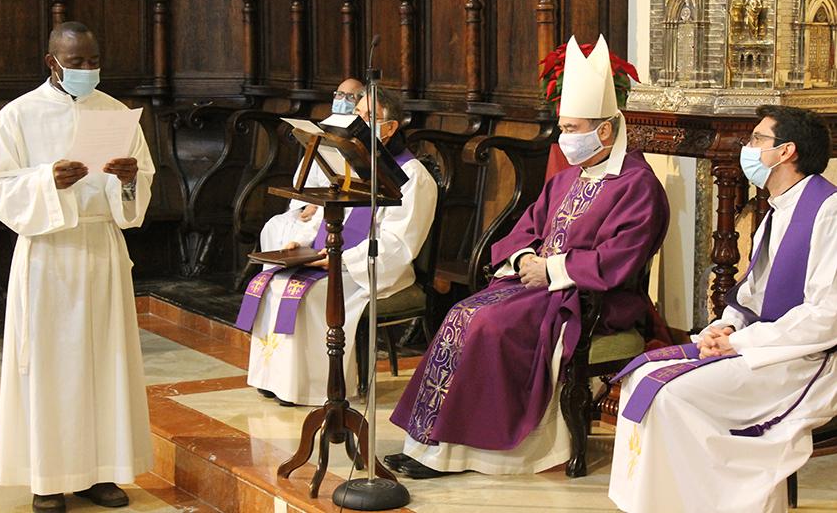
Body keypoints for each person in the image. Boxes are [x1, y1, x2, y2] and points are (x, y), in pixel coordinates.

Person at [387, 35, 670, 478]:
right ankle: (430, 443)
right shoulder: (568, 179)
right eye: (564, 128)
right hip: (538, 286)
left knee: (489, 324)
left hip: (590, 299)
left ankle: (471, 451)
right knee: (462, 312)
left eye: (573, 129)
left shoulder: (638, 185)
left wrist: (552, 270)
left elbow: (620, 259)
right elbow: (528, 227)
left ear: (606, 130)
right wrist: (522, 261)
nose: (564, 139)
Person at [609, 106, 837, 513]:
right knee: (641, 376)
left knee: (671, 397)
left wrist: (744, 342)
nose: (747, 148)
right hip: (763, 345)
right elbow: (751, 293)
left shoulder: (828, 211)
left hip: (804, 359)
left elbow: (826, 315)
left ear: (786, 152)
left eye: (756, 140)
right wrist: (725, 328)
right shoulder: (777, 208)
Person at [0, 21, 155, 513]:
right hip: (49, 254)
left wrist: (127, 178)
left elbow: (140, 185)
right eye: (76, 62)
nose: (87, 69)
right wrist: (45, 180)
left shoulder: (116, 112)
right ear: (51, 61)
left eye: (93, 60)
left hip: (101, 249)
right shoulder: (19, 115)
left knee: (105, 364)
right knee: (51, 370)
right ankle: (48, 478)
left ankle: (99, 473)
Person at [239, 85, 438, 405]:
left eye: (369, 117)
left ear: (390, 128)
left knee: (314, 293)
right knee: (276, 278)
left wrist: (341, 259)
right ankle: (277, 379)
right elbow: (330, 216)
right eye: (357, 115)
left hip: (373, 268)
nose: (358, 123)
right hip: (335, 257)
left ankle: (314, 386)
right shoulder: (355, 165)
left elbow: (398, 244)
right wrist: (302, 243)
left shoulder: (413, 176)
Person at [258, 77, 364, 251]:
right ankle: (274, 277)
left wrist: (320, 206)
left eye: (350, 97)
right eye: (339, 95)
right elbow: (305, 180)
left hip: (339, 211)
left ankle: (298, 276)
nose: (342, 101)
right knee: (274, 226)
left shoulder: (360, 142)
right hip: (313, 209)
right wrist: (308, 204)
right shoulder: (322, 134)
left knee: (301, 236)